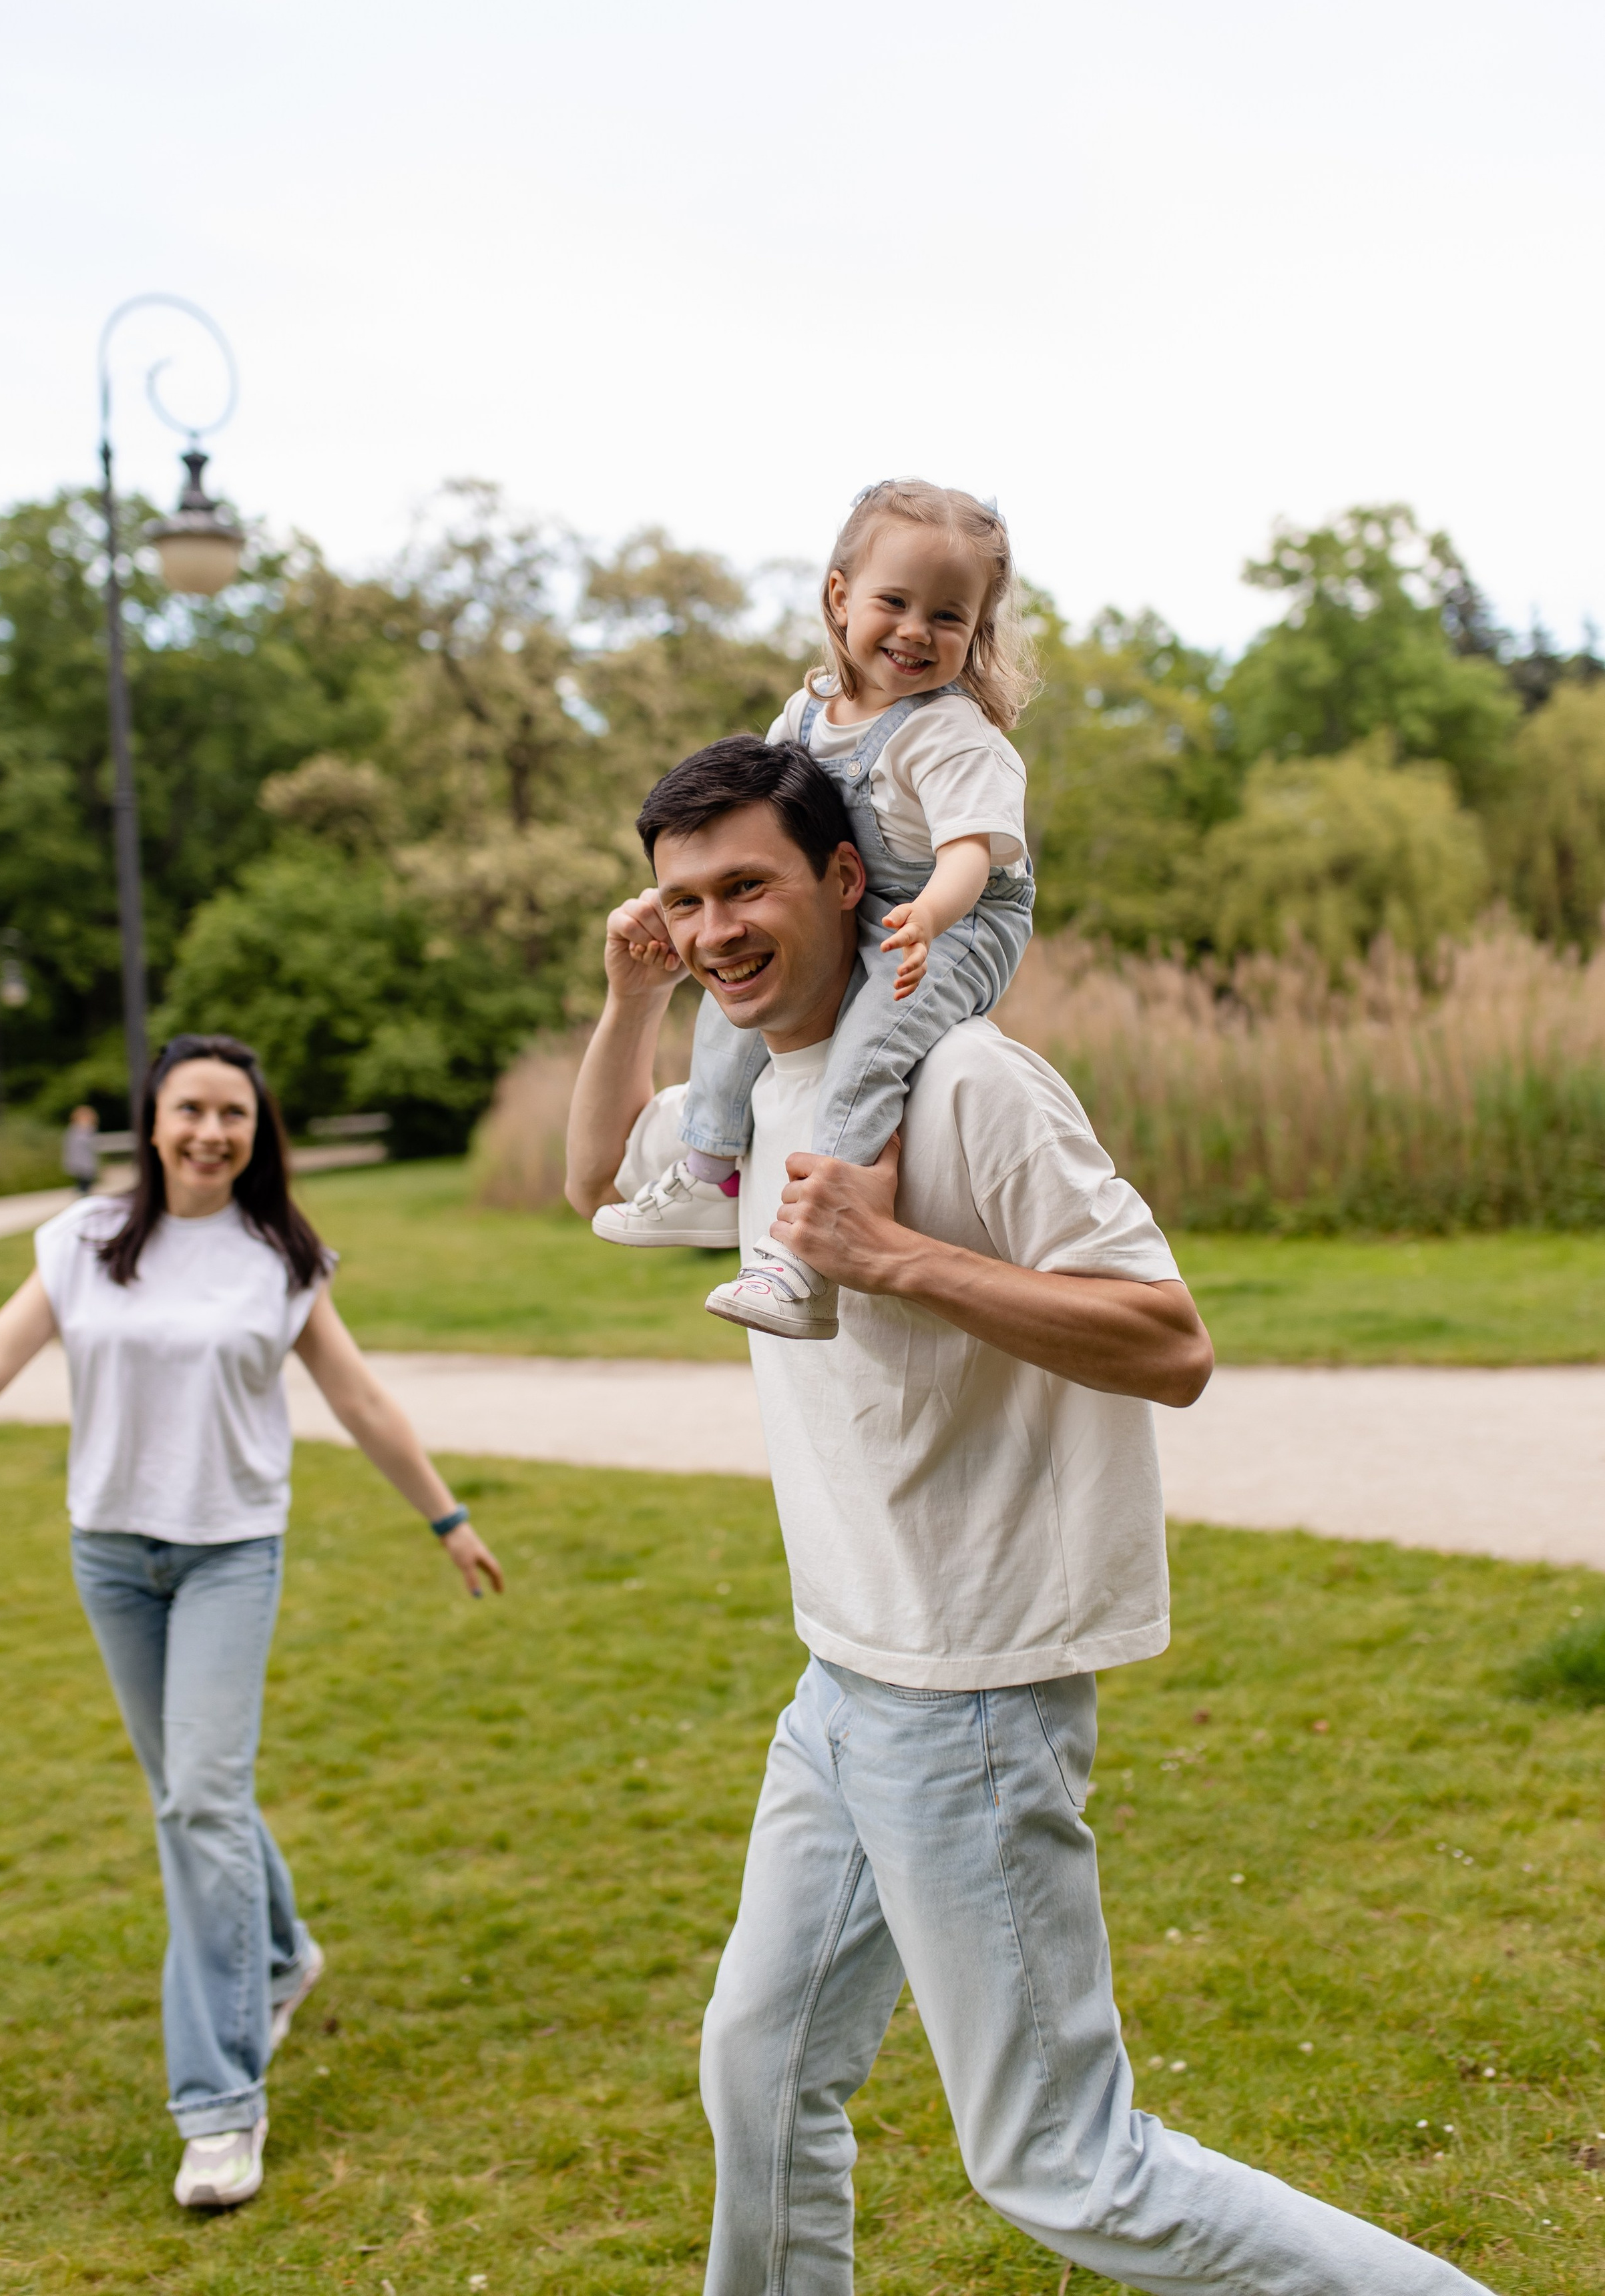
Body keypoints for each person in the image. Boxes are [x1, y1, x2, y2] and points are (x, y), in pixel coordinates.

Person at [565, 739, 1493, 2296]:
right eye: (682, 897)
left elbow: (1167, 1339)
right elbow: (591, 1174)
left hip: (969, 1689)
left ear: (846, 879)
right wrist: (623, 999)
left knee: (1062, 2158)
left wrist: (895, 1257)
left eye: (746, 886)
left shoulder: (965, 1078)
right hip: (844, 1672)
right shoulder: (752, 1089)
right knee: (758, 2065)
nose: (714, 925)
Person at [0, 1033, 503, 2213]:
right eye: (190, 1110)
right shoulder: (80, 1245)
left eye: (234, 1112)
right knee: (194, 1788)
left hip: (231, 1554)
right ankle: (282, 1956)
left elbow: (358, 1396)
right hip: (113, 1557)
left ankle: (221, 2105)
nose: (211, 1132)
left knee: (198, 1802)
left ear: (256, 1127)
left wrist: (447, 1519)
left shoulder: (282, 1254)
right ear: (153, 1120)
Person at [592, 479, 1034, 1342]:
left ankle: (802, 1258)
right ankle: (712, 1171)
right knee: (736, 1001)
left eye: (948, 617)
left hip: (958, 922)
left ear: (976, 631)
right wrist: (700, 895)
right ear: (840, 596)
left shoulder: (953, 736)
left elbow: (971, 858)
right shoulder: (803, 715)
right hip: (870, 904)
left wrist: (929, 920)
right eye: (894, 602)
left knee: (871, 1048)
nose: (915, 631)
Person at [61, 1103, 99, 1196]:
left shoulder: (90, 1129)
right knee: (81, 1177)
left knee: (87, 1178)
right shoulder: (73, 1130)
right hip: (78, 1157)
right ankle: (82, 1191)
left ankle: (85, 1192)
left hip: (87, 1158)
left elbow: (93, 1144)